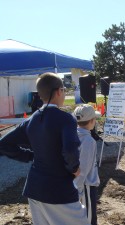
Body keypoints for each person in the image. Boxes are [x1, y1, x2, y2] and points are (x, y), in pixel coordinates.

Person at [0, 72, 90, 225]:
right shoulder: (66, 119)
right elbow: (69, 150)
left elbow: (4, 144)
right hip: (59, 190)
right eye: (64, 90)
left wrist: (31, 156)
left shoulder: (31, 120)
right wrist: (74, 168)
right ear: (59, 91)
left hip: (34, 189)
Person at [73, 104, 101, 225]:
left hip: (80, 185)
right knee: (89, 219)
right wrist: (78, 191)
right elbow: (82, 169)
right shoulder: (88, 141)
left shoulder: (72, 135)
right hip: (86, 186)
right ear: (92, 121)